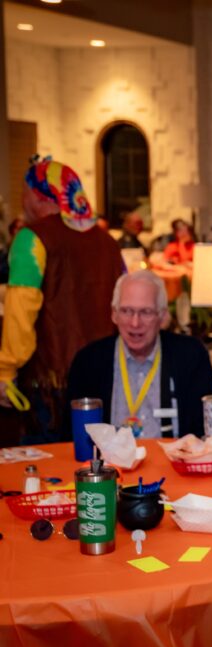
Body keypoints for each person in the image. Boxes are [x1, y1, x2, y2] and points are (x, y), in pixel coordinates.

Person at [0, 156, 123, 443]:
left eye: (23, 191)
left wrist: (5, 370)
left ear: (36, 194)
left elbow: (20, 313)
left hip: (49, 387)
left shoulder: (32, 238)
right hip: (105, 378)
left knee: (48, 471)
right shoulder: (108, 242)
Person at [66, 269, 212, 439]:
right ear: (114, 314)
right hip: (109, 465)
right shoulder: (88, 362)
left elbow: (207, 432)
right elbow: (71, 437)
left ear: (163, 316)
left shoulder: (191, 356)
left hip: (173, 464)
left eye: (146, 312)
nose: (135, 323)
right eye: (126, 311)